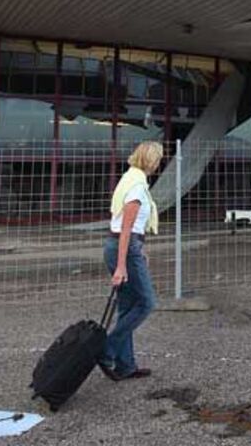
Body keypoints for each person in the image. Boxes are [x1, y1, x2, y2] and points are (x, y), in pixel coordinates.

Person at [99, 141, 163, 381]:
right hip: (124, 247)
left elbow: (128, 227)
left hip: (121, 245)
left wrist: (139, 248)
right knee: (146, 303)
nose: (159, 163)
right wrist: (122, 265)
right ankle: (107, 349)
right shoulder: (137, 187)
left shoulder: (130, 179)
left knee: (127, 307)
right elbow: (126, 227)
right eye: (157, 159)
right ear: (151, 160)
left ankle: (125, 365)